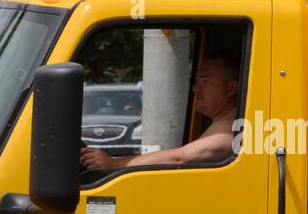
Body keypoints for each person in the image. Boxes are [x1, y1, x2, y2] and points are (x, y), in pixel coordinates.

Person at [80, 56, 241, 172]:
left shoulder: (230, 131)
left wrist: (113, 164)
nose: (195, 89)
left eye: (205, 81)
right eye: (196, 82)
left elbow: (181, 158)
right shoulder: (224, 123)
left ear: (231, 88)